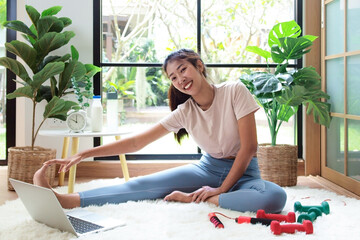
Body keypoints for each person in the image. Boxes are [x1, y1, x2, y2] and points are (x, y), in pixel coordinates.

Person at [34, 49, 287, 213]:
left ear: (198, 65)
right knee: (144, 184)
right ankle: (67, 200)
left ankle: (196, 199)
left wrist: (219, 191)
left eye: (183, 70)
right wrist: (84, 153)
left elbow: (249, 148)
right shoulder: (185, 111)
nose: (180, 80)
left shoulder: (234, 91)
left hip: (244, 172)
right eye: (173, 78)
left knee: (274, 198)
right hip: (207, 169)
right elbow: (136, 143)